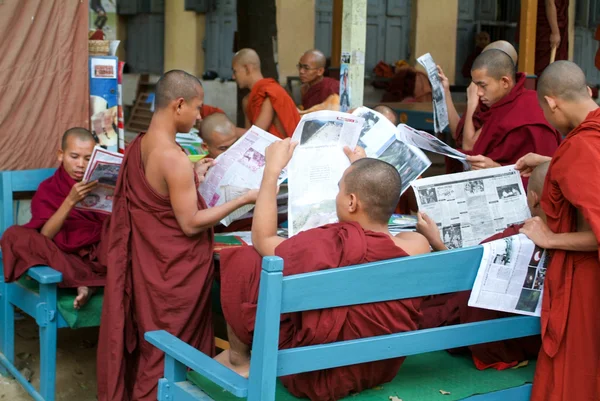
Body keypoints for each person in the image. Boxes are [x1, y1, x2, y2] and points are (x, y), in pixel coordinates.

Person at [215, 140, 430, 401]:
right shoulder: (418, 246)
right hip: (379, 366)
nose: (336, 195)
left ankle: (239, 360)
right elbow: (379, 204)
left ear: (351, 202)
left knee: (245, 259)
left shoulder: (326, 245)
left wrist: (271, 170)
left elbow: (262, 239)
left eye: (339, 190)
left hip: (315, 375)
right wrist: (362, 174)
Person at [96, 70, 258, 401]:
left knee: (153, 346)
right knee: (172, 352)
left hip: (151, 266)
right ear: (179, 105)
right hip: (175, 273)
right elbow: (189, 223)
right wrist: (242, 199)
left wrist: (192, 177)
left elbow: (158, 193)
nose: (200, 117)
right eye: (198, 109)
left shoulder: (141, 143)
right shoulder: (172, 156)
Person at [417, 161, 597, 371]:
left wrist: (436, 241)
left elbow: (462, 277)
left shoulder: (507, 240)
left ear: (533, 198)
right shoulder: (581, 241)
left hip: (502, 342)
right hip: (557, 340)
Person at [514, 60, 600, 401]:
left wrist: (550, 238)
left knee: (575, 377)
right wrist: (552, 161)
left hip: (585, 281)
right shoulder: (584, 138)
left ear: (551, 102)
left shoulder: (580, 148)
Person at [1, 128, 106, 309]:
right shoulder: (48, 188)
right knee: (15, 235)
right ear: (61, 155)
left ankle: (86, 283)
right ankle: (86, 283)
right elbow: (45, 236)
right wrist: (70, 201)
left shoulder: (101, 187)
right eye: (74, 156)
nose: (80, 164)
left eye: (88, 159)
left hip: (96, 251)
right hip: (61, 253)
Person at [439, 49, 560, 188]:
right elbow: (461, 137)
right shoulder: (492, 104)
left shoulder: (532, 111)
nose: (478, 92)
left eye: (482, 86)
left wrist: (496, 169)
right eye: (475, 85)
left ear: (504, 82)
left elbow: (544, 178)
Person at [232, 48, 300, 139]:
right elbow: (248, 139)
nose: (233, 76)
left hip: (281, 149)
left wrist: (231, 131)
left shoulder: (271, 93)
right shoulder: (246, 100)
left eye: (235, 71)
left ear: (247, 68)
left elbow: (257, 133)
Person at [534, 0, 569, 77]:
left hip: (559, 26)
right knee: (544, 67)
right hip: (547, 28)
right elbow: (549, 3)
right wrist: (555, 32)